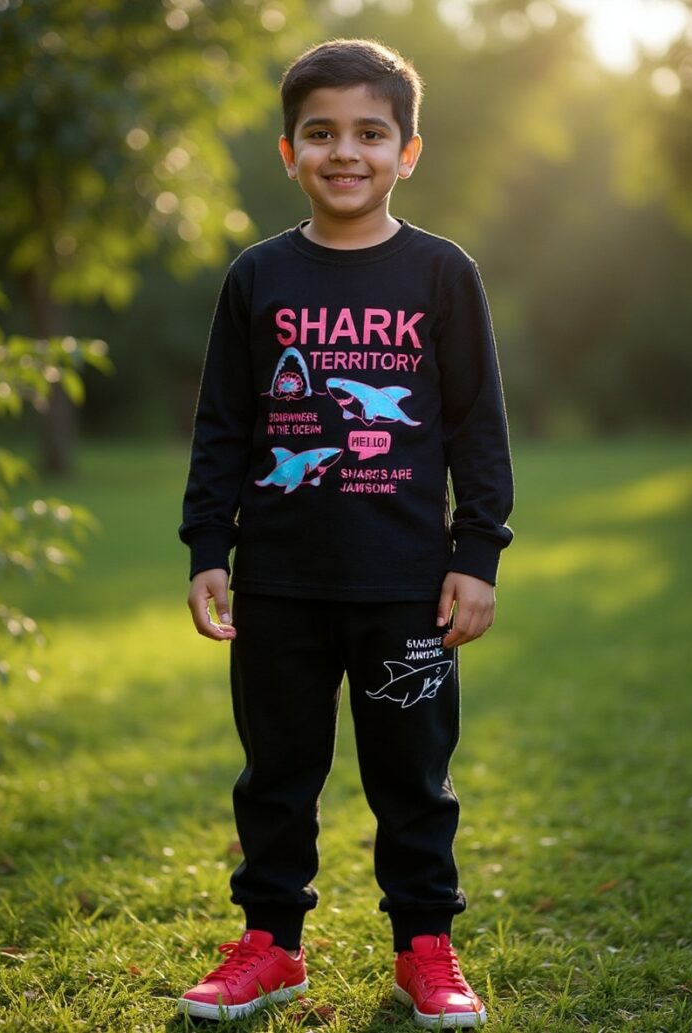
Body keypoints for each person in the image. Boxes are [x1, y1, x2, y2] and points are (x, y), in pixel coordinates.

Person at [176, 38, 514, 1029]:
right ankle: (272, 946)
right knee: (277, 773)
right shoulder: (258, 275)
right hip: (278, 578)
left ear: (408, 151)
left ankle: (424, 949)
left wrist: (477, 554)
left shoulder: (442, 273)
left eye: (371, 133)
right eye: (321, 134)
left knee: (414, 779)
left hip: (407, 581)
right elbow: (222, 424)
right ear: (290, 153)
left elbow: (476, 426)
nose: (346, 152)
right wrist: (207, 548)